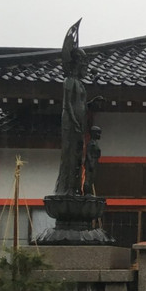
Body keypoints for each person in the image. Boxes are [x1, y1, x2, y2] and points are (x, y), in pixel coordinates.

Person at [54, 20, 88, 196]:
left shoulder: (81, 84)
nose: (85, 67)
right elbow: (67, 104)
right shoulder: (69, 81)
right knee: (68, 153)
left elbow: (82, 104)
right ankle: (66, 187)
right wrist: (74, 120)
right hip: (70, 122)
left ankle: (75, 187)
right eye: (83, 63)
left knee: (77, 154)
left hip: (78, 123)